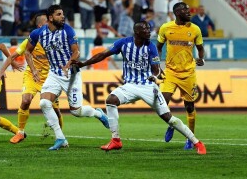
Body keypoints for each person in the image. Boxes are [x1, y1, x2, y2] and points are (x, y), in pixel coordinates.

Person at [73, 21, 206, 155]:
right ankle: (116, 140)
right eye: (146, 29)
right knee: (110, 100)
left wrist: (155, 77)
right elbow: (102, 55)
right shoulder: (123, 43)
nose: (149, 31)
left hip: (148, 86)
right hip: (130, 86)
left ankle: (197, 142)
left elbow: (156, 69)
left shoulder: (151, 46)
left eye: (149, 29)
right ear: (137, 32)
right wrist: (83, 63)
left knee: (168, 117)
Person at [25, 5, 109, 150]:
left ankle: (98, 113)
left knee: (76, 111)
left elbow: (76, 52)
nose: (62, 17)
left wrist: (68, 64)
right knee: (44, 103)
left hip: (71, 74)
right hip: (54, 74)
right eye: (59, 14)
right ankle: (60, 138)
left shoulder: (68, 30)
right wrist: (33, 70)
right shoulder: (38, 33)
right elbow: (27, 51)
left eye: (62, 14)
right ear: (50, 18)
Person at [0, 13, 63, 144]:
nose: (50, 25)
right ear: (39, 26)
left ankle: (60, 136)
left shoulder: (56, 39)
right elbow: (12, 56)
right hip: (32, 76)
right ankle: (20, 132)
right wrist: (1, 71)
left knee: (56, 110)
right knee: (26, 100)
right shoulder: (30, 41)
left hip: (50, 78)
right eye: (47, 23)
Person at [157, 2, 205, 150]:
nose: (189, 12)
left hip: (188, 73)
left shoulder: (195, 29)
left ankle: (190, 138)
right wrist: (157, 66)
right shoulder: (166, 28)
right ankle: (173, 123)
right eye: (185, 10)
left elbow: (200, 48)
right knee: (162, 103)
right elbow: (158, 48)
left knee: (189, 106)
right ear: (177, 13)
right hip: (170, 72)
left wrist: (201, 59)